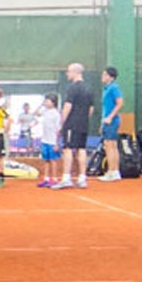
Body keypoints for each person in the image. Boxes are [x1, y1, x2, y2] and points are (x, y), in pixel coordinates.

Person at [57, 62, 94, 190]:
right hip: (83, 123)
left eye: (69, 71)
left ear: (75, 72)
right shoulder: (89, 88)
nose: (67, 74)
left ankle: (66, 178)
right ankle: (82, 178)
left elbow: (68, 106)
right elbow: (91, 108)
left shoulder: (72, 88)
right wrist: (83, 119)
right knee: (81, 149)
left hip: (71, 123)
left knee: (68, 148)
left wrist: (62, 123)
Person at [94, 66, 124, 183]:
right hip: (107, 120)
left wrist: (110, 118)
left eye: (105, 75)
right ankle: (114, 171)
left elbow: (120, 103)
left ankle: (113, 171)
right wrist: (103, 123)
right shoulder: (106, 88)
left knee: (110, 145)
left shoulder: (114, 87)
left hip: (111, 120)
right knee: (110, 145)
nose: (103, 77)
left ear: (111, 77)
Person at [35, 92, 62, 188]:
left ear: (53, 102)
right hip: (45, 140)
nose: (46, 103)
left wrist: (56, 143)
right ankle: (46, 178)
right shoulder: (45, 111)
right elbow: (36, 113)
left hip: (52, 141)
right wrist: (41, 105)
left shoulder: (56, 114)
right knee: (46, 160)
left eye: (48, 101)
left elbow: (58, 130)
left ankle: (54, 179)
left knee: (53, 160)